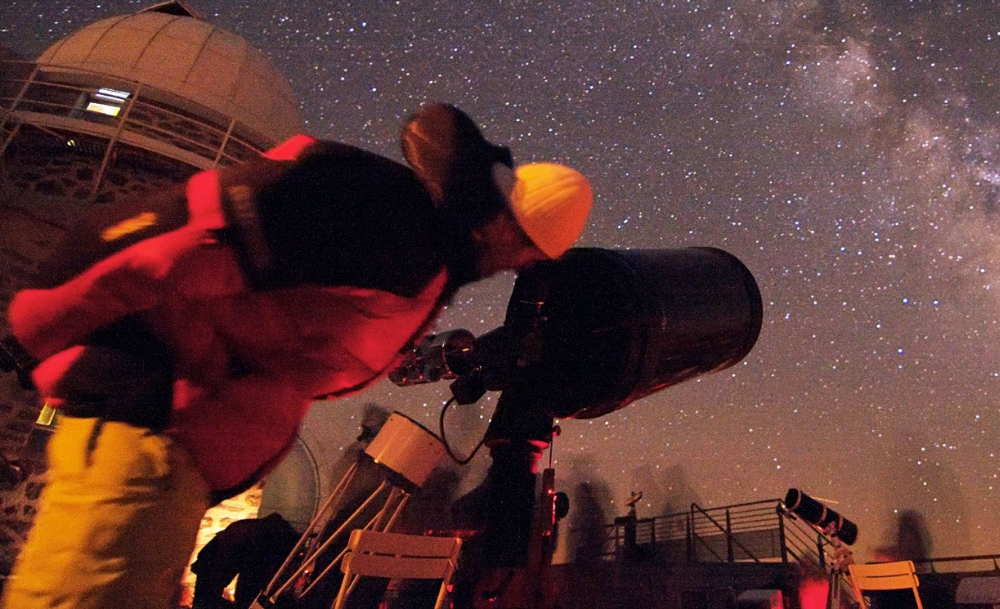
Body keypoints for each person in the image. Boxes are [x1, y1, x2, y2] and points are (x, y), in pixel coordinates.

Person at [0, 103, 592, 609]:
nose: (520, 266)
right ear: (503, 224)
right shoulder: (392, 226)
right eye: (527, 250)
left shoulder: (426, 265)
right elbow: (174, 243)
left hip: (174, 464)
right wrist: (42, 328)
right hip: (147, 439)